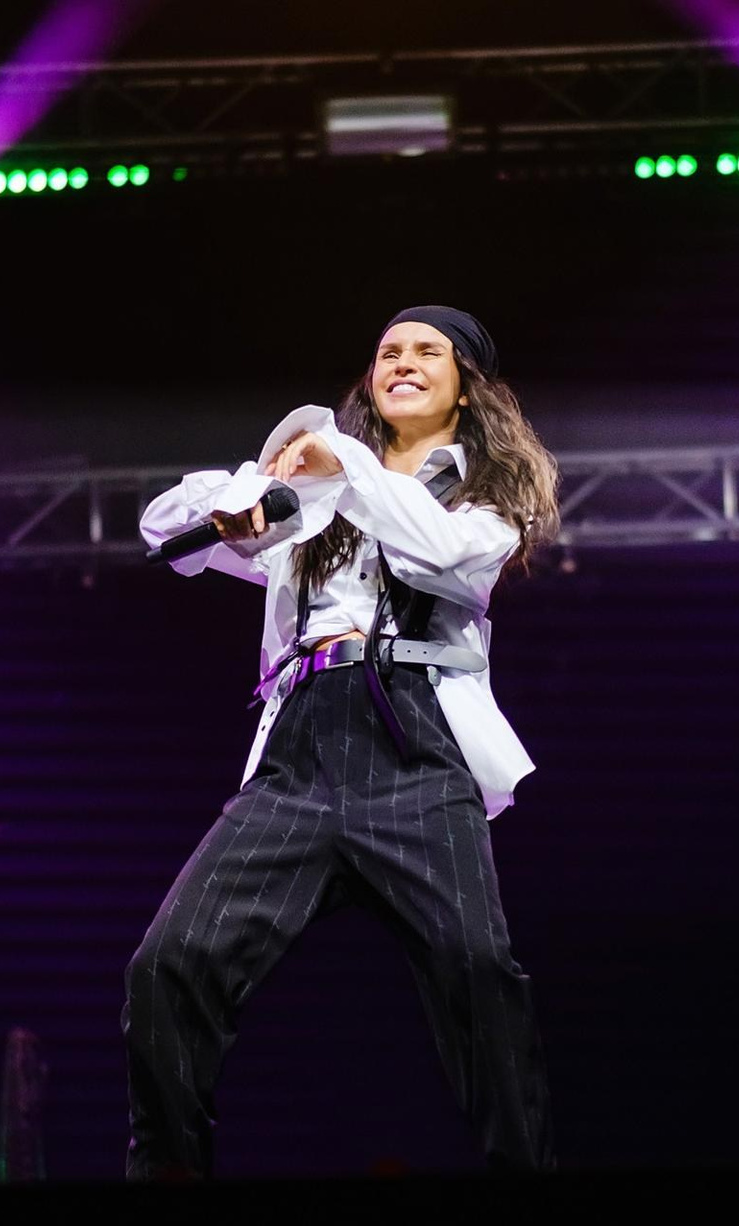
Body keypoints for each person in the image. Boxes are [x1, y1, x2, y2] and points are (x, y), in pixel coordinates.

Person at [124, 306, 561, 1177]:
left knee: (480, 971)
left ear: (465, 389)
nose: (402, 362)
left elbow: (438, 553)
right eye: (388, 352)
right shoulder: (318, 497)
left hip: (416, 745)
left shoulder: (487, 497)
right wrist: (248, 495)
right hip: (300, 746)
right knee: (168, 964)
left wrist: (340, 463)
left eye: (427, 352)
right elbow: (161, 531)